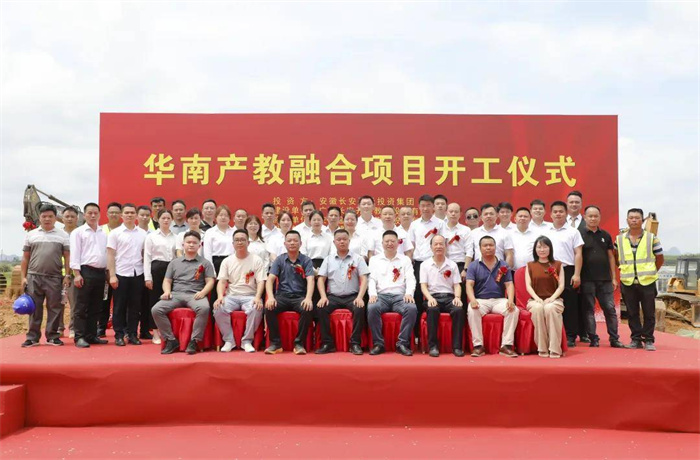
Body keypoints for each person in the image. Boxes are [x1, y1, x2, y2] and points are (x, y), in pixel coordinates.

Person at [152, 231, 216, 355]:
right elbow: (167, 280)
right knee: (156, 309)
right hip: (176, 294)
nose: (191, 245)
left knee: (204, 308)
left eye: (194, 243)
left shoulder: (205, 263)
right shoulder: (174, 263)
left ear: (199, 245)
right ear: (183, 245)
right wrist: (167, 291)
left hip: (195, 294)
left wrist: (203, 292)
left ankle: (194, 340)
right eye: (188, 242)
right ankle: (170, 340)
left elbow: (210, 281)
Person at [20, 204, 71, 347]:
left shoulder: (63, 235)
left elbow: (67, 257)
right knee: (34, 308)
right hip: (34, 277)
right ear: (39, 218)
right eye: (44, 216)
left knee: (55, 308)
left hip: (55, 277)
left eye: (50, 216)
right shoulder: (31, 234)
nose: (47, 219)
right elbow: (25, 258)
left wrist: (67, 275)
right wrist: (23, 277)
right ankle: (32, 337)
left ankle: (52, 336)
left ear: (55, 218)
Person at [614, 208, 664, 351]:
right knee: (632, 312)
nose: (634, 220)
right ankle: (635, 339)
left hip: (647, 281)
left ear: (642, 220)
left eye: (637, 218)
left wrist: (651, 271)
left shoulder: (651, 238)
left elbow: (660, 258)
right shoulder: (619, 239)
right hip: (628, 282)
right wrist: (625, 270)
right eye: (631, 218)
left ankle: (648, 339)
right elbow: (616, 257)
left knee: (649, 312)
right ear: (627, 220)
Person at [316, 229, 370, 355]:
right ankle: (327, 343)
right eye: (339, 239)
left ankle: (355, 343)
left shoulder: (358, 259)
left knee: (359, 308)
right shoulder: (328, 259)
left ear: (349, 241)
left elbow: (364, 279)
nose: (342, 242)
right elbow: (321, 280)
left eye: (344, 239)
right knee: (321, 308)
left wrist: (360, 297)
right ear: (334, 242)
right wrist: (323, 297)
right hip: (333, 297)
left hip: (352, 296)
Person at [465, 236, 518, 358]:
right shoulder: (473, 265)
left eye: (491, 245)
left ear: (495, 247)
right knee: (472, 310)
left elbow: (509, 284)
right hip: (481, 300)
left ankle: (506, 345)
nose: (488, 248)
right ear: (480, 248)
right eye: (485, 245)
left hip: (499, 300)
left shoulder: (503, 264)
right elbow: (469, 285)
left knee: (514, 310)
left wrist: (510, 300)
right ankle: (478, 346)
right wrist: (472, 300)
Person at [213, 229, 265, 353]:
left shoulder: (256, 260)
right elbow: (222, 281)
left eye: (242, 240)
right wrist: (220, 296)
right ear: (233, 244)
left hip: (250, 295)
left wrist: (258, 297)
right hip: (231, 296)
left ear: (248, 242)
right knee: (218, 307)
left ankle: (247, 341)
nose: (240, 242)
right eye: (237, 240)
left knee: (256, 308)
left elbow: (261, 281)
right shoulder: (227, 261)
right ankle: (229, 340)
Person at [264, 230, 315, 355]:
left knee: (307, 308)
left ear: (300, 243)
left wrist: (308, 298)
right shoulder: (279, 260)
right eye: (289, 241)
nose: (292, 243)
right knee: (269, 308)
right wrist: (270, 297)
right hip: (282, 296)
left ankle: (299, 343)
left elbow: (311, 280)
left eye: (295, 241)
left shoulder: (306, 260)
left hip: (299, 297)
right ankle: (276, 344)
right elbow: (270, 280)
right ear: (285, 243)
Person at [367, 230, 417, 356]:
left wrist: (409, 293)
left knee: (411, 308)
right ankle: (378, 344)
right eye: (387, 241)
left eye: (392, 241)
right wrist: (372, 294)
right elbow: (371, 279)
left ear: (398, 243)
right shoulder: (374, 260)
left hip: (400, 296)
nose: (390, 243)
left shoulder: (405, 260)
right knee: (372, 308)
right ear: (382, 243)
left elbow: (411, 279)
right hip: (381, 296)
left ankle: (402, 343)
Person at [580, 206, 623, 348]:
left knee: (610, 309)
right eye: (590, 216)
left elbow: (611, 257)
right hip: (586, 279)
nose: (593, 219)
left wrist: (614, 277)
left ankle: (614, 339)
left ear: (600, 217)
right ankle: (593, 338)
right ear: (585, 217)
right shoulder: (579, 235)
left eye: (596, 216)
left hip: (605, 280)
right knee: (589, 310)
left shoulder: (605, 235)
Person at [107, 203, 148, 346]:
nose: (129, 215)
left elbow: (145, 254)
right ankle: (119, 335)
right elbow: (110, 255)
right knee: (119, 306)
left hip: (138, 273)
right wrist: (112, 275)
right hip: (121, 273)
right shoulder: (115, 233)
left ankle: (132, 334)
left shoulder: (143, 234)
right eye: (127, 213)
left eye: (132, 213)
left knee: (135, 307)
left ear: (136, 215)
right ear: (121, 215)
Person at [546, 201, 584, 348]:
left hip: (568, 270)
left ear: (566, 213)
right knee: (550, 302)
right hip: (549, 270)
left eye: (561, 211)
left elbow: (578, 253)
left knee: (570, 304)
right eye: (555, 211)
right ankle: (552, 335)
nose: (558, 214)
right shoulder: (545, 232)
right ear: (551, 214)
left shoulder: (573, 232)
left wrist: (577, 274)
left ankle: (570, 336)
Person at [408, 194, 446, 340]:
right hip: (418, 263)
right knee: (417, 295)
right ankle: (417, 332)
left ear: (433, 207)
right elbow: (411, 246)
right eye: (423, 205)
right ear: (419, 207)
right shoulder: (414, 224)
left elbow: (443, 244)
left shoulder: (440, 223)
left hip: (435, 263)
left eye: (428, 205)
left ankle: (434, 331)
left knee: (436, 292)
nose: (425, 208)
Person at [420, 235, 465, 357]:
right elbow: (423, 286)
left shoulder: (452, 264)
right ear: (431, 247)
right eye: (436, 244)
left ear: (446, 246)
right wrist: (430, 298)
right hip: (432, 297)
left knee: (458, 310)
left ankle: (457, 347)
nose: (439, 246)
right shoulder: (425, 265)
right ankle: (433, 346)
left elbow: (457, 285)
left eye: (441, 244)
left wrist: (457, 298)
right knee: (432, 310)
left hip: (449, 297)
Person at [70, 202, 108, 348]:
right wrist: (77, 274)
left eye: (95, 213)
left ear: (99, 215)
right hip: (85, 272)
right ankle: (79, 337)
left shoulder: (103, 233)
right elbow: (75, 253)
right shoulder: (78, 232)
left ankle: (91, 335)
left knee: (96, 306)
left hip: (100, 273)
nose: (93, 215)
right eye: (90, 213)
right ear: (84, 215)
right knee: (81, 306)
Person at [525, 236, 566, 358]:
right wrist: (536, 298)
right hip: (535, 300)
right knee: (538, 309)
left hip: (554, 300)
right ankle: (542, 347)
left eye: (545, 247)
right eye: (539, 247)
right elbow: (528, 286)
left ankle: (555, 348)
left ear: (550, 248)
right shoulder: (530, 265)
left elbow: (561, 286)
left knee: (550, 308)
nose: (542, 250)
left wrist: (552, 298)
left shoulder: (558, 264)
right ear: (535, 249)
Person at [143, 209, 178, 345]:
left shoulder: (176, 237)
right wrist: (148, 277)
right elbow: (147, 257)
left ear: (172, 219)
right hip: (156, 269)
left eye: (168, 218)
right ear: (157, 219)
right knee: (154, 301)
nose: (166, 220)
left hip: (172, 269)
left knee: (171, 300)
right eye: (163, 218)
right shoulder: (151, 236)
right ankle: (156, 333)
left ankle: (168, 331)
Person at [98, 202, 122, 337]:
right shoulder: (100, 230)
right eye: (111, 212)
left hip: (122, 271)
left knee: (120, 302)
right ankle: (101, 327)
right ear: (106, 214)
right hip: (104, 272)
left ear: (121, 214)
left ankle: (121, 329)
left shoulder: (126, 230)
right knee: (104, 301)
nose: (114, 215)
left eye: (116, 212)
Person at [203, 205, 235, 307]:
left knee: (230, 289)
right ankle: (214, 314)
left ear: (230, 218)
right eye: (221, 215)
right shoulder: (210, 232)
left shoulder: (234, 232)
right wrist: (211, 270)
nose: (223, 217)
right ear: (216, 217)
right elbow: (207, 253)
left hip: (231, 263)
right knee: (215, 291)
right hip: (216, 262)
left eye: (226, 215)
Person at [59, 206, 79, 338]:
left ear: (77, 218)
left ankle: (73, 328)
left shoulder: (81, 233)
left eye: (72, 216)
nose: (70, 219)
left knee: (75, 303)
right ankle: (59, 328)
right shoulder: (57, 234)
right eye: (67, 216)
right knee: (58, 303)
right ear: (62, 218)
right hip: (58, 274)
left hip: (74, 274)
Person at [443, 202, 474, 282]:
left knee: (460, 289)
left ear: (460, 214)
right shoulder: (441, 228)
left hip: (460, 264)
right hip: (444, 264)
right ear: (446, 213)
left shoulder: (465, 230)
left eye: (456, 212)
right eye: (451, 211)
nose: (453, 214)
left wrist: (465, 269)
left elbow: (469, 250)